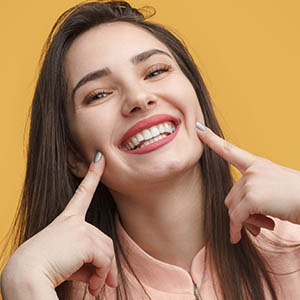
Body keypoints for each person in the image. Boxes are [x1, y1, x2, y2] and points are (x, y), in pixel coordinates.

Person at [1, 1, 300, 299]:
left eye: (156, 71)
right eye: (99, 94)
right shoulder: (57, 291)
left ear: (195, 96)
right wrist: (23, 282)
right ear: (73, 155)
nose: (139, 98)